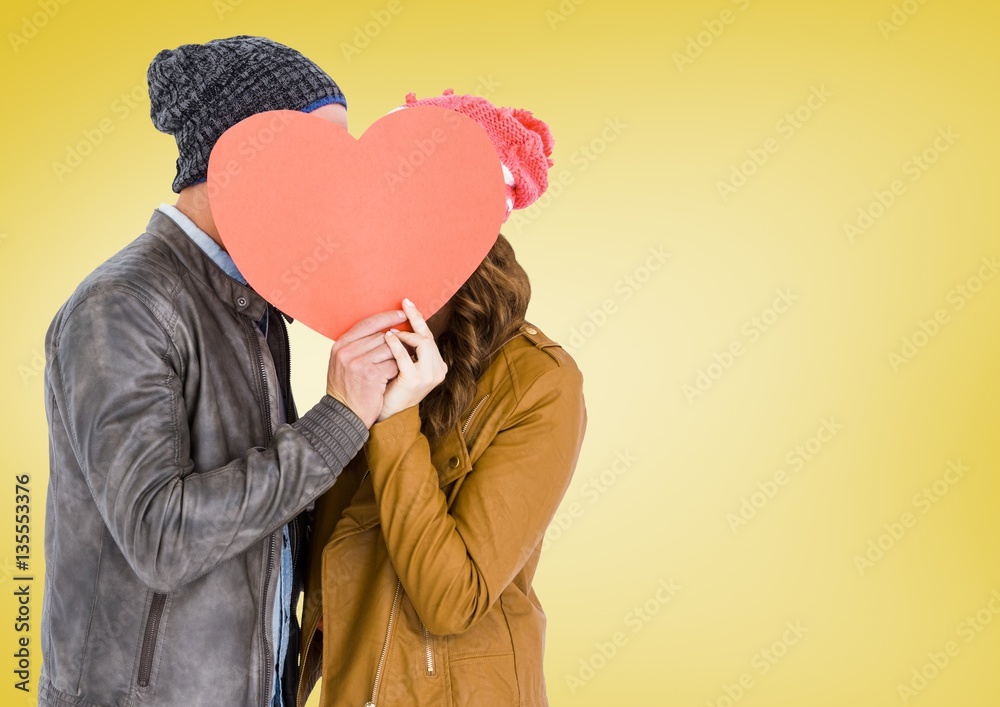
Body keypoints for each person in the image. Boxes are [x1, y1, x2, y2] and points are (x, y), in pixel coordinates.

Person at [38, 36, 405, 707]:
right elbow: (162, 536)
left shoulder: (257, 304)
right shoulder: (122, 306)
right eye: (316, 161)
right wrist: (338, 420)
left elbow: (266, 506)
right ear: (241, 159)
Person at [297, 91, 588, 707]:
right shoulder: (373, 343)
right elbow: (320, 557)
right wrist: (339, 415)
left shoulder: (540, 383)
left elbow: (450, 600)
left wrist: (398, 418)